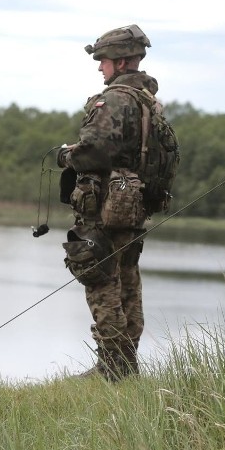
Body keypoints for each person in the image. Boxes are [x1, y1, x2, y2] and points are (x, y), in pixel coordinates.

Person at [57, 24, 165, 381]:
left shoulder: (115, 99)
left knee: (101, 280)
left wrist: (66, 156)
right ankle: (126, 364)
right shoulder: (148, 100)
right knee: (127, 281)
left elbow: (95, 151)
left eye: (102, 60)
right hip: (132, 205)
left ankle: (113, 367)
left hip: (105, 205)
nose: (100, 67)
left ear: (120, 62)